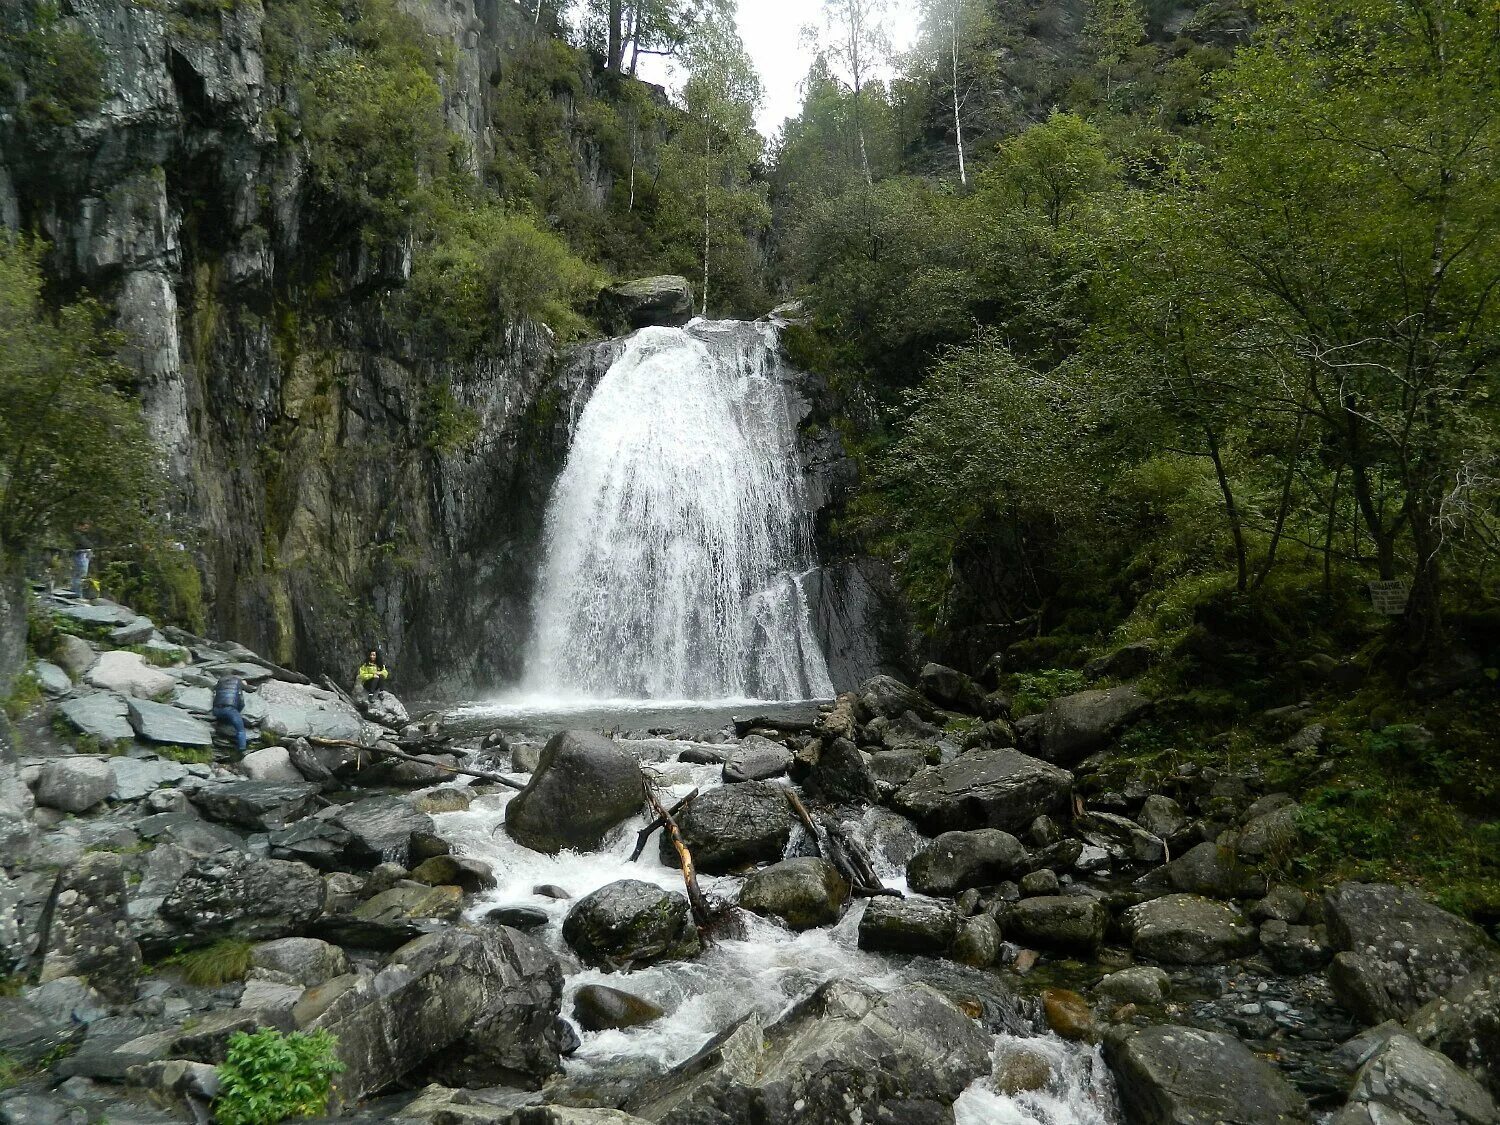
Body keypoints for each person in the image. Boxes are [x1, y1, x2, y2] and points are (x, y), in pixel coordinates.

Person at [213, 674, 248, 756]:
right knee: (241, 730)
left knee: (224, 721)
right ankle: (242, 750)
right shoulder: (238, 684)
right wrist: (238, 711)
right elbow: (241, 701)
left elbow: (215, 696)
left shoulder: (220, 682)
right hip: (230, 709)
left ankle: (220, 738)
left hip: (216, 709)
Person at [71, 526, 93, 598]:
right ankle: (77, 593)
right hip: (81, 555)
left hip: (84, 555)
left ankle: (77, 592)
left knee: (81, 574)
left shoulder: (84, 535)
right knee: (80, 574)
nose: (86, 529)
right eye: (84, 527)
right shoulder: (77, 535)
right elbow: (84, 545)